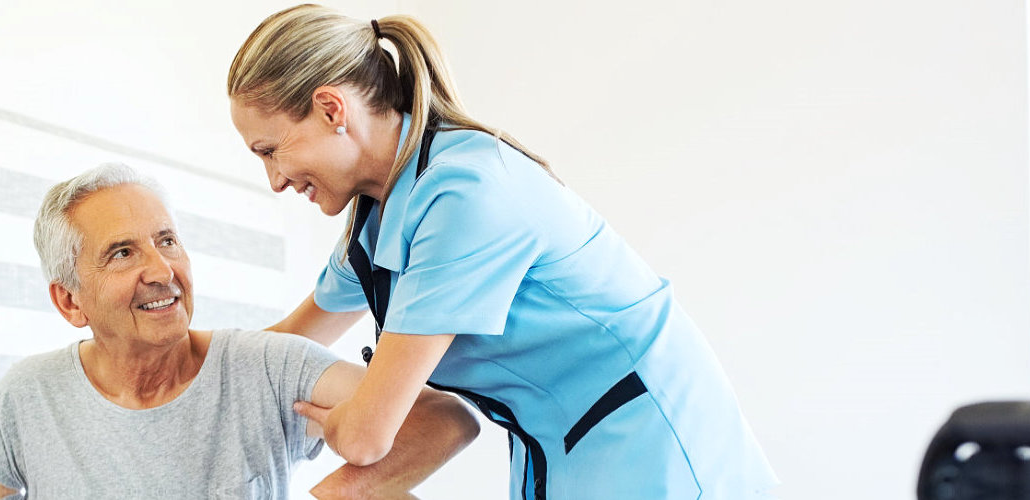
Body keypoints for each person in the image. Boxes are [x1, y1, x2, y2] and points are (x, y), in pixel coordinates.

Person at [225, 5, 780, 499]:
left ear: (330, 109)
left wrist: (339, 422)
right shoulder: (376, 218)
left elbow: (369, 436)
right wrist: (167, 373)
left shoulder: (466, 193)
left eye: (270, 150)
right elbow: (288, 341)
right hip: (556, 443)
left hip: (650, 441)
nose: (274, 179)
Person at [0, 163, 480, 500]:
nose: (161, 270)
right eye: (122, 252)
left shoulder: (268, 367)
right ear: (70, 301)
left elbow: (442, 420)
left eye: (167, 241)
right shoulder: (29, 395)